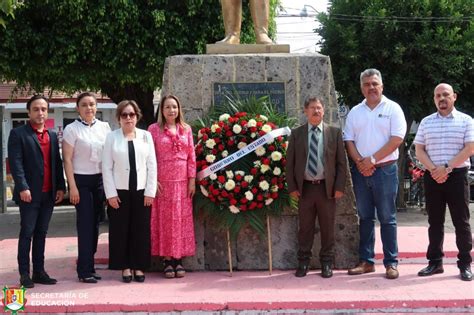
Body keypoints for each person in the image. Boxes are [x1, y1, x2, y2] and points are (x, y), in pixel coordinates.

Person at [343, 68, 407, 279]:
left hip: (385, 171)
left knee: (387, 218)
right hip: (361, 172)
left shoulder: (393, 108)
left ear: (381, 86)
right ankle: (366, 261)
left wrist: (371, 160)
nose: (371, 87)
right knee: (365, 218)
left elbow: (397, 138)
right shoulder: (355, 111)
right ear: (362, 88)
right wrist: (360, 163)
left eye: (374, 83)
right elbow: (348, 140)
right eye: (367, 84)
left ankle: (391, 263)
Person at [414, 83, 474, 281]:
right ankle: (435, 263)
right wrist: (434, 169)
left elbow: (470, 148)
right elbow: (419, 149)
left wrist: (446, 168)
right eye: (438, 95)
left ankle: (465, 264)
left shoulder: (466, 121)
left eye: (446, 94)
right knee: (435, 222)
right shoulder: (426, 122)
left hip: (457, 176)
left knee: (461, 222)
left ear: (454, 97)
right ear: (434, 99)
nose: (442, 98)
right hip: (432, 177)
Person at [8, 95, 66, 288]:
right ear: (29, 112)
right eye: (36, 109)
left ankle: (39, 271)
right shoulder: (18, 134)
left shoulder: (51, 135)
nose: (40, 113)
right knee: (27, 233)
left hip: (48, 194)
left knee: (42, 232)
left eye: (43, 109)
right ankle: (24, 274)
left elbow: (56, 162)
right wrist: (23, 186)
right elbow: (16, 163)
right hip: (29, 194)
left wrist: (60, 187)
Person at [286, 97, 347, 278]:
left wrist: (339, 187)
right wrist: (292, 188)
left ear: (324, 110)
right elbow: (289, 164)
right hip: (305, 189)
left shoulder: (334, 133)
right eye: (312, 108)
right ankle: (303, 262)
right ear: (305, 111)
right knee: (305, 228)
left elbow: (341, 163)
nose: (316, 111)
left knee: (327, 227)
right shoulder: (297, 134)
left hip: (326, 189)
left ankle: (327, 263)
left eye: (319, 108)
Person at [102, 100, 157, 283]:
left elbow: (152, 165)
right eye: (124, 115)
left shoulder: (146, 136)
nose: (128, 118)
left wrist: (150, 191)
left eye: (131, 114)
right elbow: (107, 167)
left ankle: (139, 266)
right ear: (119, 118)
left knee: (140, 230)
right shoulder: (112, 137)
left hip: (142, 192)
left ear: (137, 116)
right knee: (120, 230)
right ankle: (124, 266)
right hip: (119, 192)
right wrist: (110, 194)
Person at [62, 92, 111, 283]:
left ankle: (89, 265)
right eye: (84, 105)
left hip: (99, 181)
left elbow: (108, 158)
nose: (88, 108)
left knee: (96, 224)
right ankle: (83, 271)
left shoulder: (105, 127)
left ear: (96, 107)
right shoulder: (72, 129)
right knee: (85, 225)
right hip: (80, 181)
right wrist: (71, 187)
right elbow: (67, 159)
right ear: (78, 108)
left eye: (92, 104)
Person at [148, 95, 196, 278]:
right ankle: (167, 260)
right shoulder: (154, 129)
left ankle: (179, 259)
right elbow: (149, 157)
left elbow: (191, 155)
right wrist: (153, 180)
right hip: (163, 184)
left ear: (179, 109)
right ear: (161, 110)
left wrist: (192, 180)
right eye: (167, 107)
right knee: (165, 221)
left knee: (181, 221)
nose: (171, 110)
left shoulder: (186, 129)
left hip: (183, 184)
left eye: (174, 107)